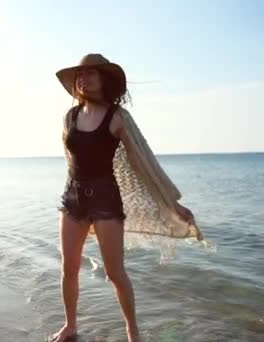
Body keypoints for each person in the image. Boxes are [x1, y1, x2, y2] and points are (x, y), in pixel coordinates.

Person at [47, 54, 196, 342]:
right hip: (73, 200)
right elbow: (71, 161)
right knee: (69, 268)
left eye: (91, 73)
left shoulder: (118, 117)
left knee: (115, 272)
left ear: (104, 80)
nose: (83, 77)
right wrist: (72, 193)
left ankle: (132, 332)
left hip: (106, 201)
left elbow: (144, 163)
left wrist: (171, 202)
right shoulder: (71, 117)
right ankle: (70, 326)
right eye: (80, 73)